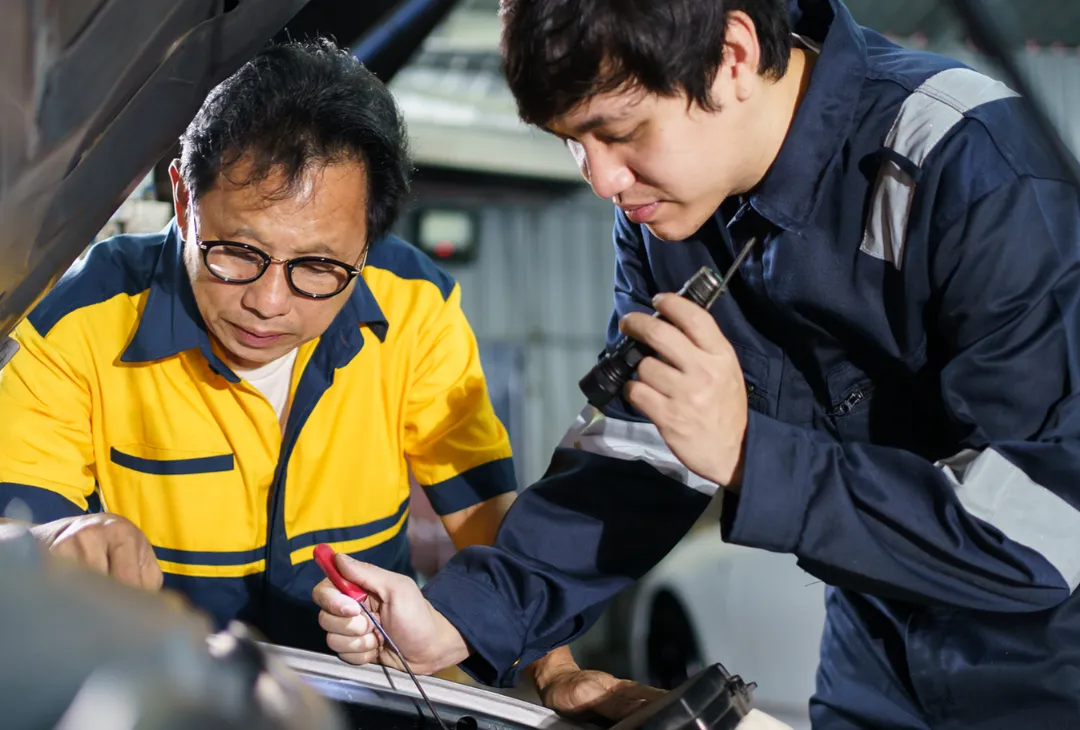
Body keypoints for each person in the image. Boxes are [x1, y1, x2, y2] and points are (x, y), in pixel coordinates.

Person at [311, 0, 1080, 727]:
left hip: (1052, 666)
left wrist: (750, 454)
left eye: (620, 131)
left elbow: (1048, 528)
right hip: (876, 653)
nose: (602, 179)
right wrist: (460, 619)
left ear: (733, 57)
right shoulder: (667, 215)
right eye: (572, 142)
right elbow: (640, 456)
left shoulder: (977, 170)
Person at [0, 38, 541, 663]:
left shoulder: (415, 306)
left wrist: (551, 669)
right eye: (238, 252)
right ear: (182, 198)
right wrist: (52, 537)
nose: (270, 302)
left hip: (368, 688)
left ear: (368, 241)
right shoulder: (76, 322)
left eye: (318, 266)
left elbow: (484, 511)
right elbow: (13, 519)